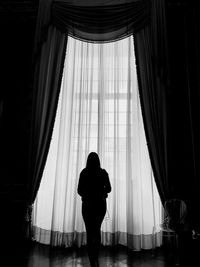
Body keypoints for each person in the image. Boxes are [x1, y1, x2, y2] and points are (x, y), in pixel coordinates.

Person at [77, 152, 111, 267]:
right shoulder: (103, 173)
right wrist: (102, 192)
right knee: (96, 231)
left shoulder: (84, 172)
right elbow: (109, 188)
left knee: (89, 231)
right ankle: (95, 256)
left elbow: (79, 190)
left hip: (87, 205)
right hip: (100, 205)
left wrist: (87, 194)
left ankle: (91, 258)